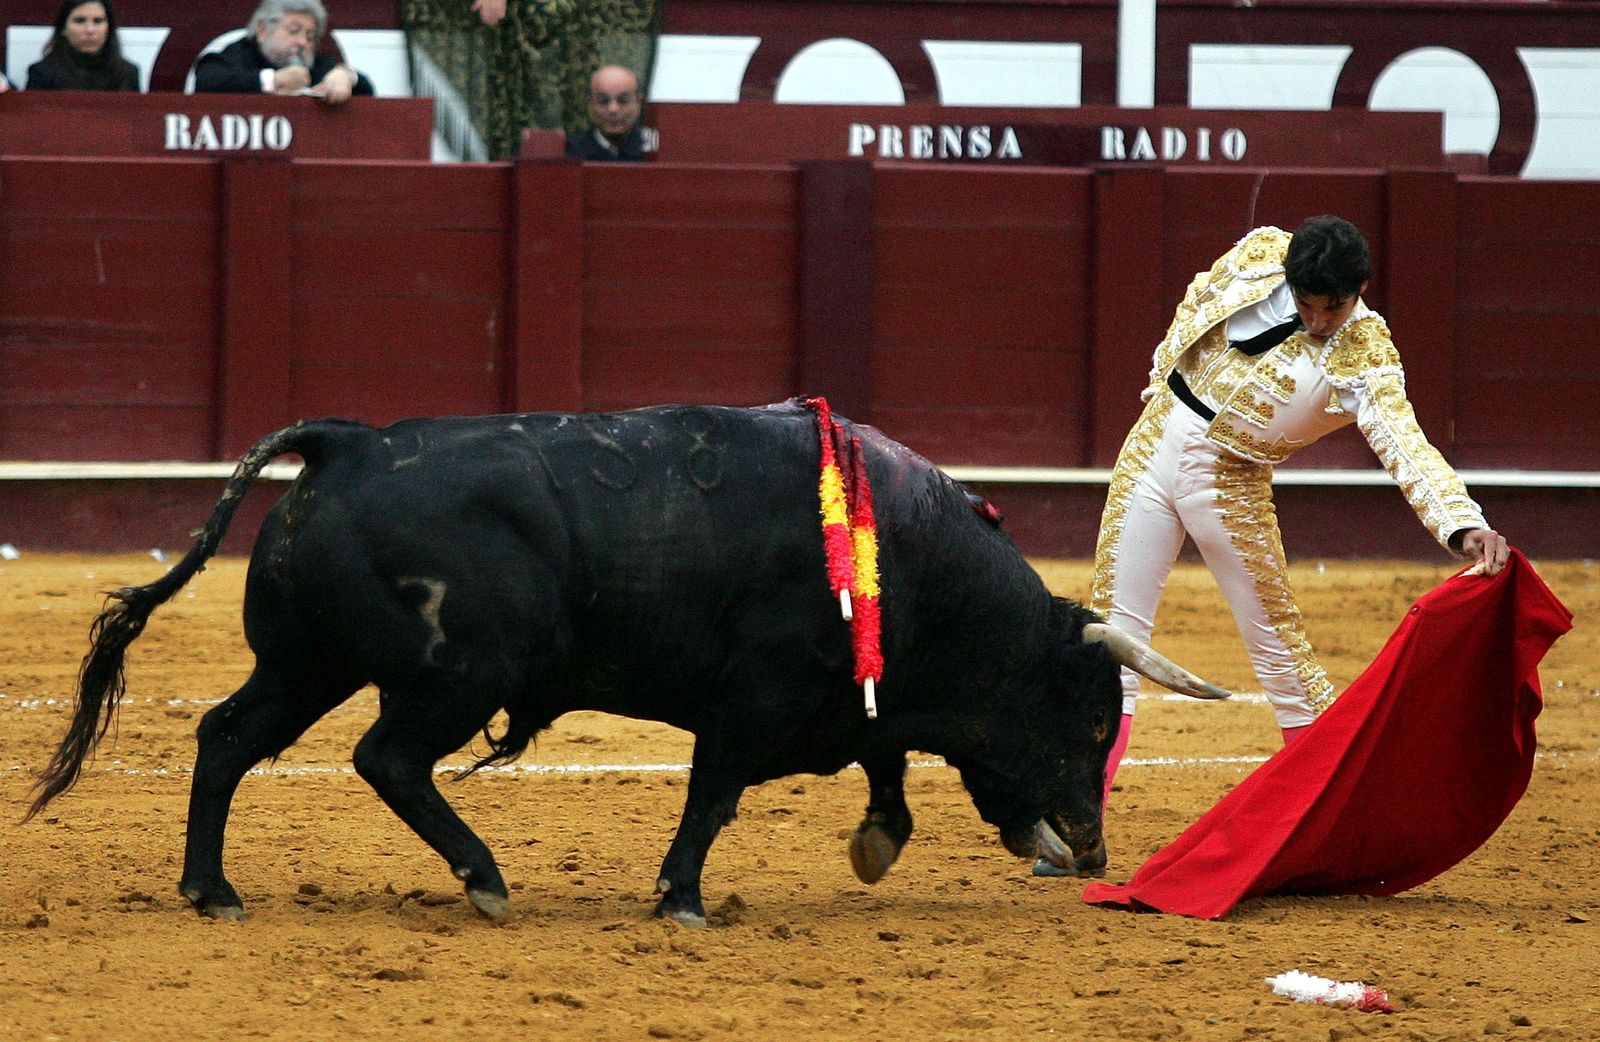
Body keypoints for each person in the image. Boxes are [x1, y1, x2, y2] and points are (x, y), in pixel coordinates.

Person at [1090, 215, 1509, 794]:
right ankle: (1080, 822)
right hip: (1153, 444)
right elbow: (1199, 293)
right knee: (1112, 638)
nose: (1316, 322)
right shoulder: (1261, 250)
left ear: (1359, 291)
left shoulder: (1365, 352)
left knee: (1281, 652)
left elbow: (1403, 441)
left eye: (1331, 310)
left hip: (1231, 481)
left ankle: (1323, 813)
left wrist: (1462, 524)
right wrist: (1161, 375)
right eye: (1306, 305)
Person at [194, 0, 372, 104]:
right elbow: (208, 81)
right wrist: (274, 80)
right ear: (263, 31)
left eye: (310, 36)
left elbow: (367, 91)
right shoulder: (238, 55)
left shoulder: (317, 66)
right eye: (294, 31)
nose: (303, 42)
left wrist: (346, 76)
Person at [24, 0, 141, 92]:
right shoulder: (42, 73)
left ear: (109, 28)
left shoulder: (128, 73)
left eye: (98, 21)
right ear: (63, 28)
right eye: (80, 21)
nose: (90, 30)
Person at [565, 65, 647, 162]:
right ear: (589, 104)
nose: (613, 110)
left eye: (623, 101)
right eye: (603, 101)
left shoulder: (654, 150)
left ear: (639, 103)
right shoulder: (568, 153)